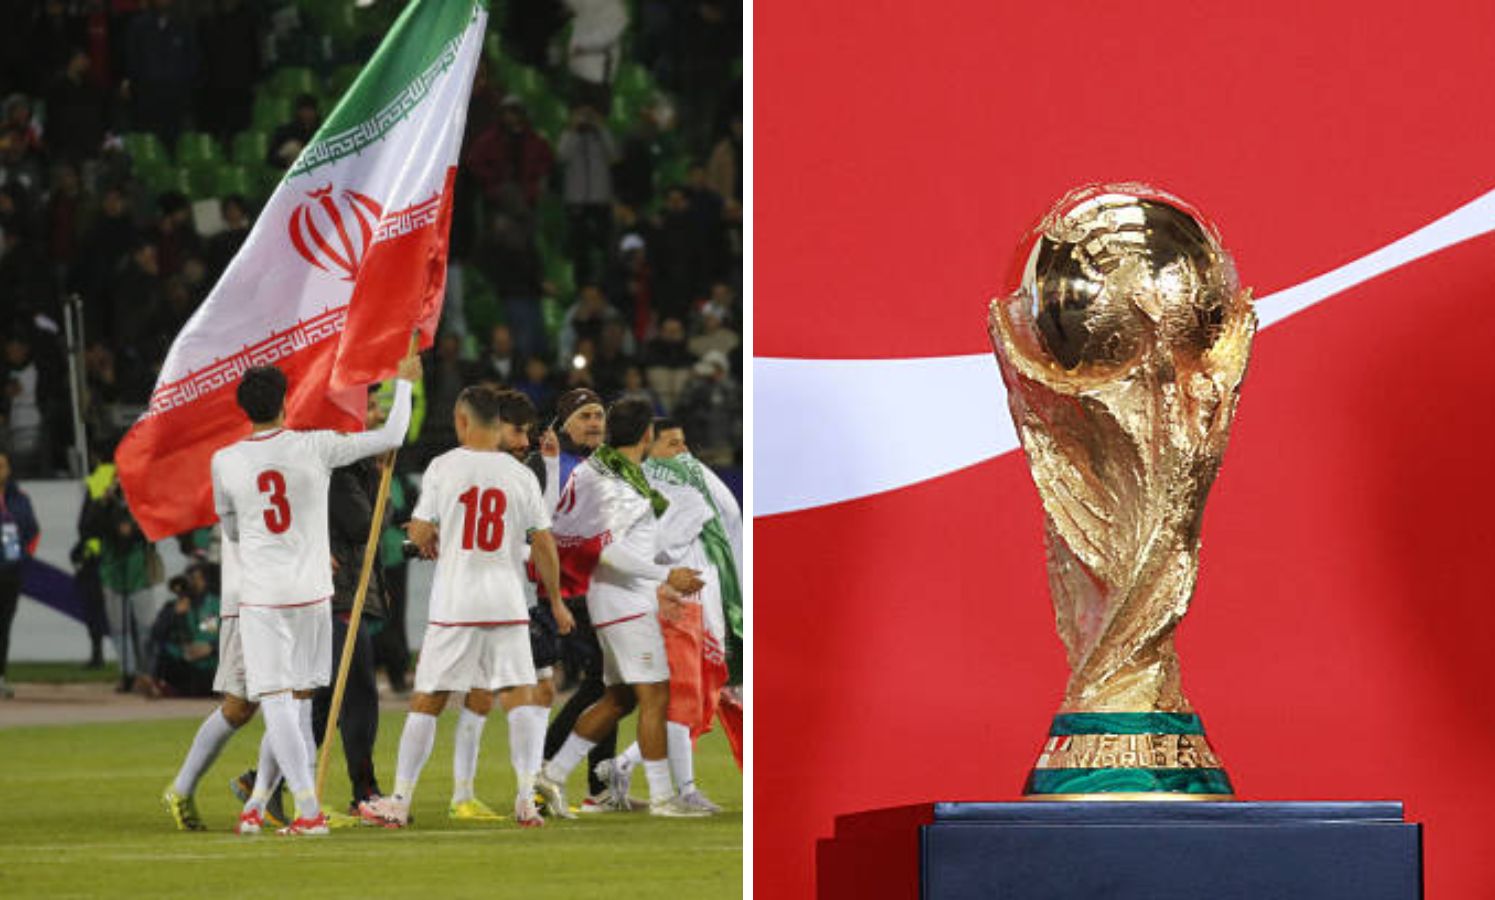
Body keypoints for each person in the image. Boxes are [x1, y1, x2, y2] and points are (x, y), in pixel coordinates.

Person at [210, 349, 418, 836]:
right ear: (286, 401)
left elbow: (234, 531)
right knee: (302, 700)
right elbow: (390, 436)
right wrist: (403, 383)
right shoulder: (315, 446)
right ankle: (260, 801)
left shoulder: (226, 461)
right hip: (314, 592)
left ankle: (306, 810)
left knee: (280, 701)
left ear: (244, 409)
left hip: (263, 594)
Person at [362, 386, 567, 829]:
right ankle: (526, 799)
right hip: (508, 601)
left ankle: (399, 800)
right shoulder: (520, 475)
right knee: (519, 694)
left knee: (429, 697)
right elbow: (544, 544)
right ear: (498, 422)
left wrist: (429, 533)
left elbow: (417, 536)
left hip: (457, 601)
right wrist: (555, 600)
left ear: (461, 420)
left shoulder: (443, 467)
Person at [535, 398, 708, 817]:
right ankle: (666, 798)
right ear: (647, 435)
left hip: (613, 596)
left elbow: (629, 543)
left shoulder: (609, 471)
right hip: (624, 599)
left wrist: (673, 554)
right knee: (656, 695)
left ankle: (552, 775)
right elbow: (607, 551)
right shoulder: (618, 483)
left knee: (619, 698)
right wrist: (663, 576)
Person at [598, 418, 742, 811]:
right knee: (687, 700)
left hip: (702, 604)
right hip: (679, 605)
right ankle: (682, 791)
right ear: (650, 447)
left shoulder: (684, 486)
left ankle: (624, 766)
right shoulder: (659, 491)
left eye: (684, 443)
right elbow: (650, 548)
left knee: (697, 702)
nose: (682, 453)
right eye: (672, 444)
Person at [527, 388, 625, 811]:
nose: (594, 424)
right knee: (605, 685)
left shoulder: (605, 466)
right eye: (585, 416)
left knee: (610, 683)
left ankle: (598, 785)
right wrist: (551, 596)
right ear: (564, 422)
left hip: (597, 589)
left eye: (599, 415)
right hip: (560, 593)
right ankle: (546, 763)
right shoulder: (547, 466)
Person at [80, 459, 160, 694]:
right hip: (112, 571)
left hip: (139, 572)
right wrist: (103, 501)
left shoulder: (142, 499)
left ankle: (148, 673)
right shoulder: (103, 501)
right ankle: (128, 674)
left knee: (146, 627)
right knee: (119, 629)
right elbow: (87, 527)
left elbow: (153, 528)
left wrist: (132, 530)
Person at [0, 451, 39, 699]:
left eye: (2, 465)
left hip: (9, 574)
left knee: (3, 626)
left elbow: (32, 531)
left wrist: (22, 559)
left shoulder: (20, 498)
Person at [148, 570, 218, 697]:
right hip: (184, 661)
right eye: (191, 579)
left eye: (197, 579)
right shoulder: (173, 606)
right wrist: (174, 614)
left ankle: (170, 690)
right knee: (163, 651)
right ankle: (158, 685)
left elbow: (231, 634)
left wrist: (211, 647)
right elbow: (156, 634)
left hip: (210, 662)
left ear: (205, 581)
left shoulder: (215, 603)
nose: (193, 583)